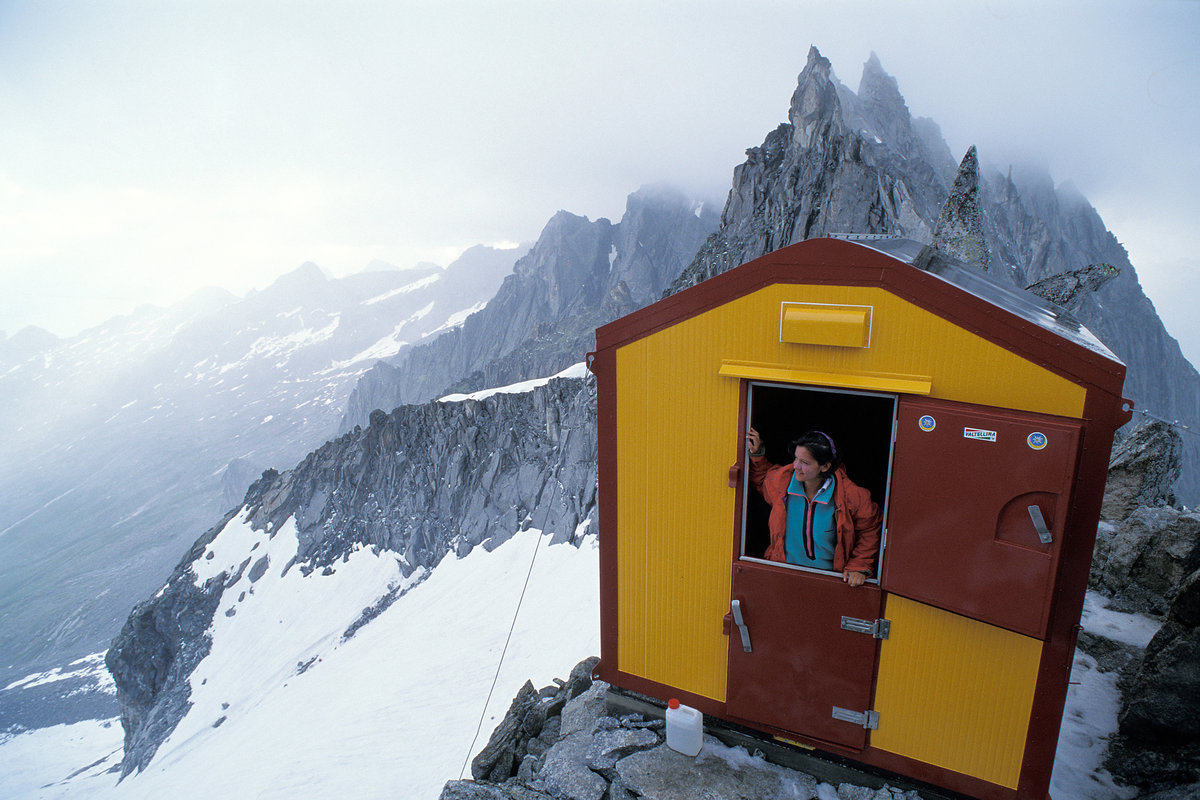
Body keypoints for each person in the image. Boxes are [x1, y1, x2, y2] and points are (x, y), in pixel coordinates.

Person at [745, 427, 881, 587]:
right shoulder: (781, 481)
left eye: (805, 462)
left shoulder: (853, 495)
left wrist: (859, 566)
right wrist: (757, 453)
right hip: (783, 574)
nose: (796, 466)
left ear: (824, 466)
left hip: (830, 581)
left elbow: (870, 529)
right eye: (796, 458)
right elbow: (763, 480)